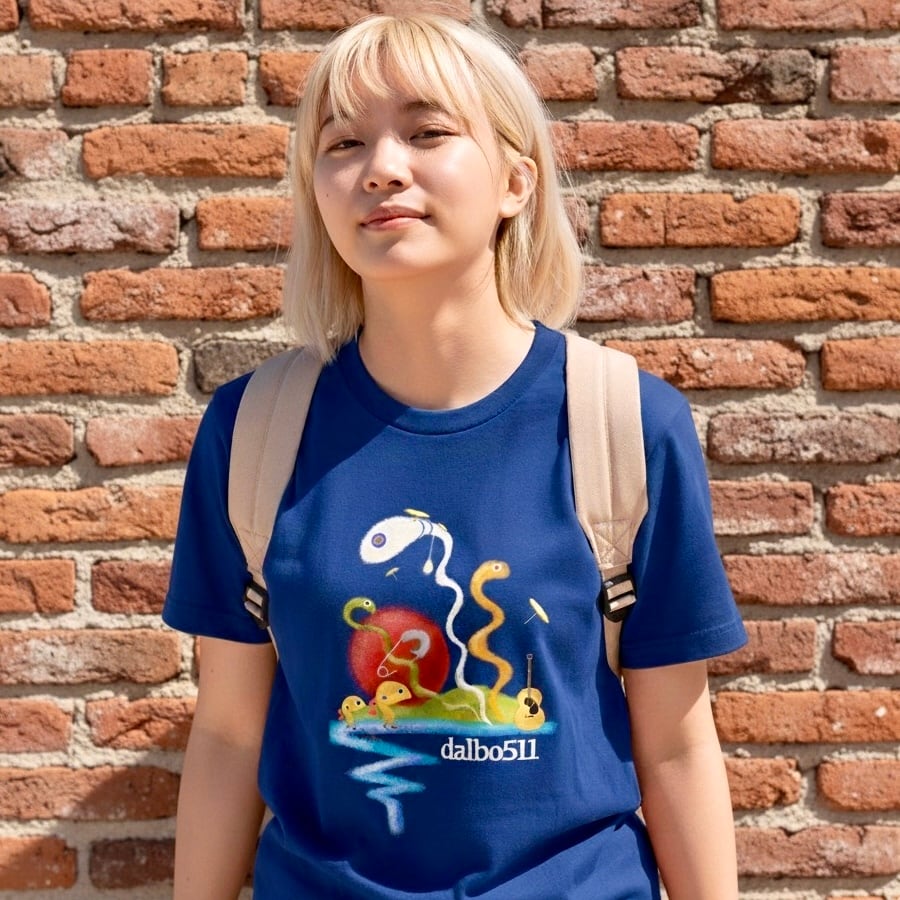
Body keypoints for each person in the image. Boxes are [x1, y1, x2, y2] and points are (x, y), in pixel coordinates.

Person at [163, 12, 747, 899]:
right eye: (343, 143)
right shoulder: (254, 430)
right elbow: (227, 735)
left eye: (428, 132)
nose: (381, 168)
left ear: (516, 180)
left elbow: (674, 744)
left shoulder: (626, 422)